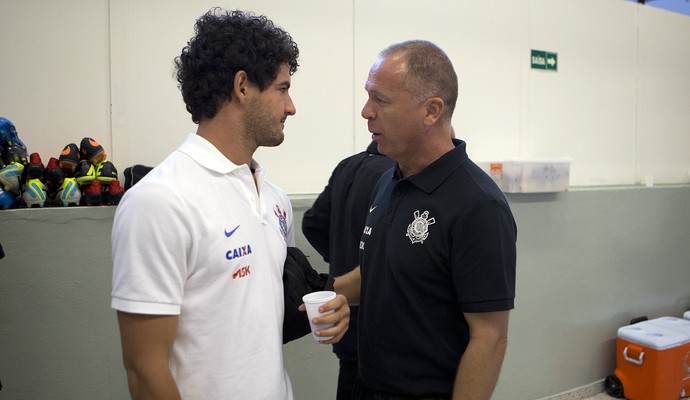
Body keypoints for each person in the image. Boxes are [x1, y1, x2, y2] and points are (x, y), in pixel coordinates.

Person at [110, 9, 350, 400]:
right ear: (242, 86)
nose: (291, 107)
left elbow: (252, 322)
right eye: (282, 89)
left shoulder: (272, 197)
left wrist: (331, 309)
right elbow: (144, 371)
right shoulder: (160, 201)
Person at [335, 40, 517, 399]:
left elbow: (490, 339)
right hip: (365, 385)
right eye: (368, 97)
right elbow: (379, 269)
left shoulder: (478, 206)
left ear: (431, 110)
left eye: (381, 100)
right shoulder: (390, 179)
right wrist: (324, 295)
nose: (366, 112)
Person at [302, 141, 394, 400]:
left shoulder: (348, 166)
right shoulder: (396, 174)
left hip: (344, 318)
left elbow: (312, 223)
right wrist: (360, 267)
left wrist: (340, 259)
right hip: (378, 321)